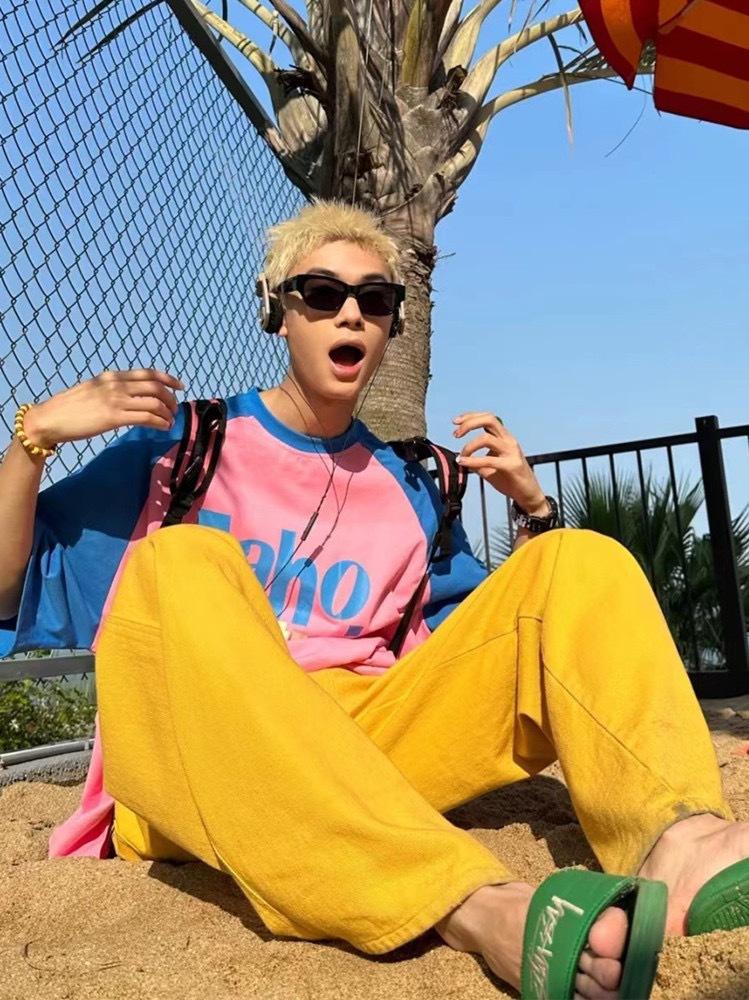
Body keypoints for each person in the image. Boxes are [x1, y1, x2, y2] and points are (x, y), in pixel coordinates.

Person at [0, 198, 746, 1000]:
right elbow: (10, 590)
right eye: (321, 294)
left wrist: (533, 512)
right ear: (277, 312)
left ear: (391, 326)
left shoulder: (413, 486)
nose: (349, 313)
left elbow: (499, 653)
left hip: (364, 752)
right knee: (179, 558)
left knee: (578, 558)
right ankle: (472, 903)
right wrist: (32, 440)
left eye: (374, 299)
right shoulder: (184, 449)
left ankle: (679, 841)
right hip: (205, 760)